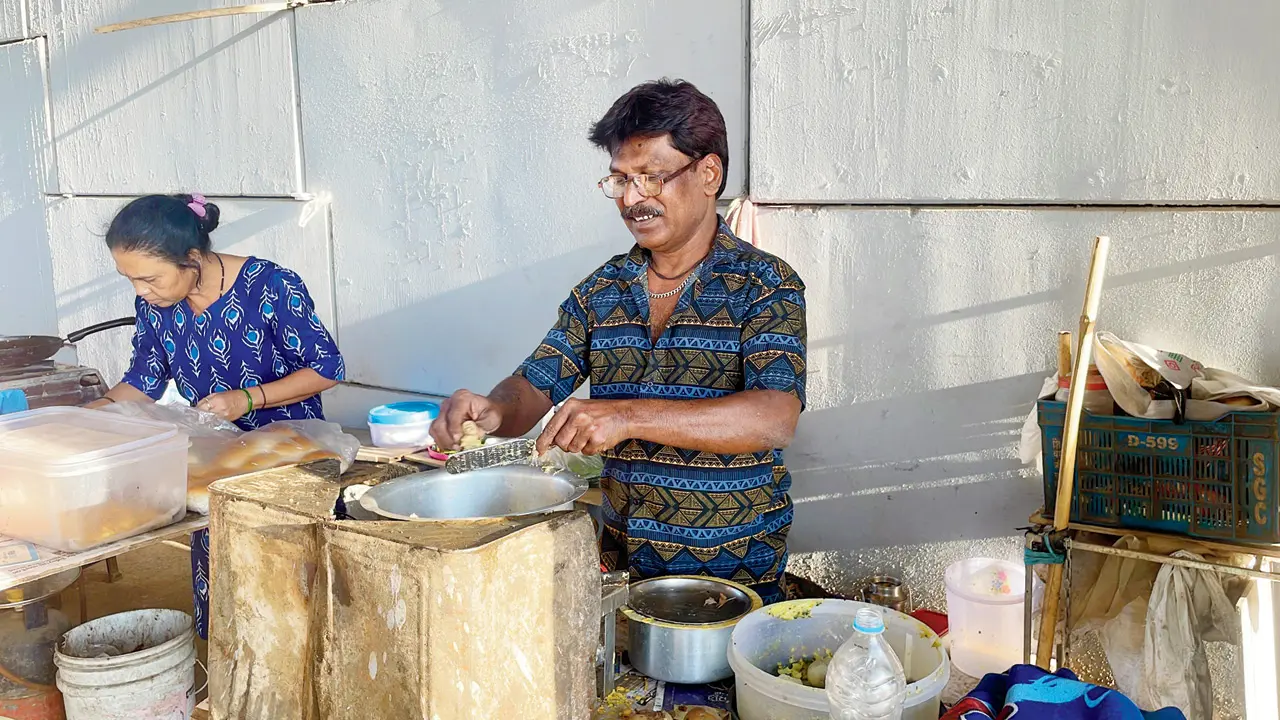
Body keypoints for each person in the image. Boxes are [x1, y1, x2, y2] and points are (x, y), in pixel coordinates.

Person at [432, 80, 807, 603]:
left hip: (732, 576)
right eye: (620, 181)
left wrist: (626, 415)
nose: (633, 200)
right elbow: (534, 384)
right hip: (622, 570)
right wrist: (491, 410)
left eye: (652, 178)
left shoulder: (765, 285)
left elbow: (774, 417)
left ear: (708, 174)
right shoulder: (601, 291)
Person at [85, 193, 345, 639]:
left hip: (287, 462)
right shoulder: (156, 305)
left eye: (149, 278)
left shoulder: (269, 286)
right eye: (129, 280)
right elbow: (144, 379)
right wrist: (91, 417)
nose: (140, 291)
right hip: (213, 470)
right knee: (228, 591)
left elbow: (326, 368)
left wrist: (247, 399)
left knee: (295, 600)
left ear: (191, 259)